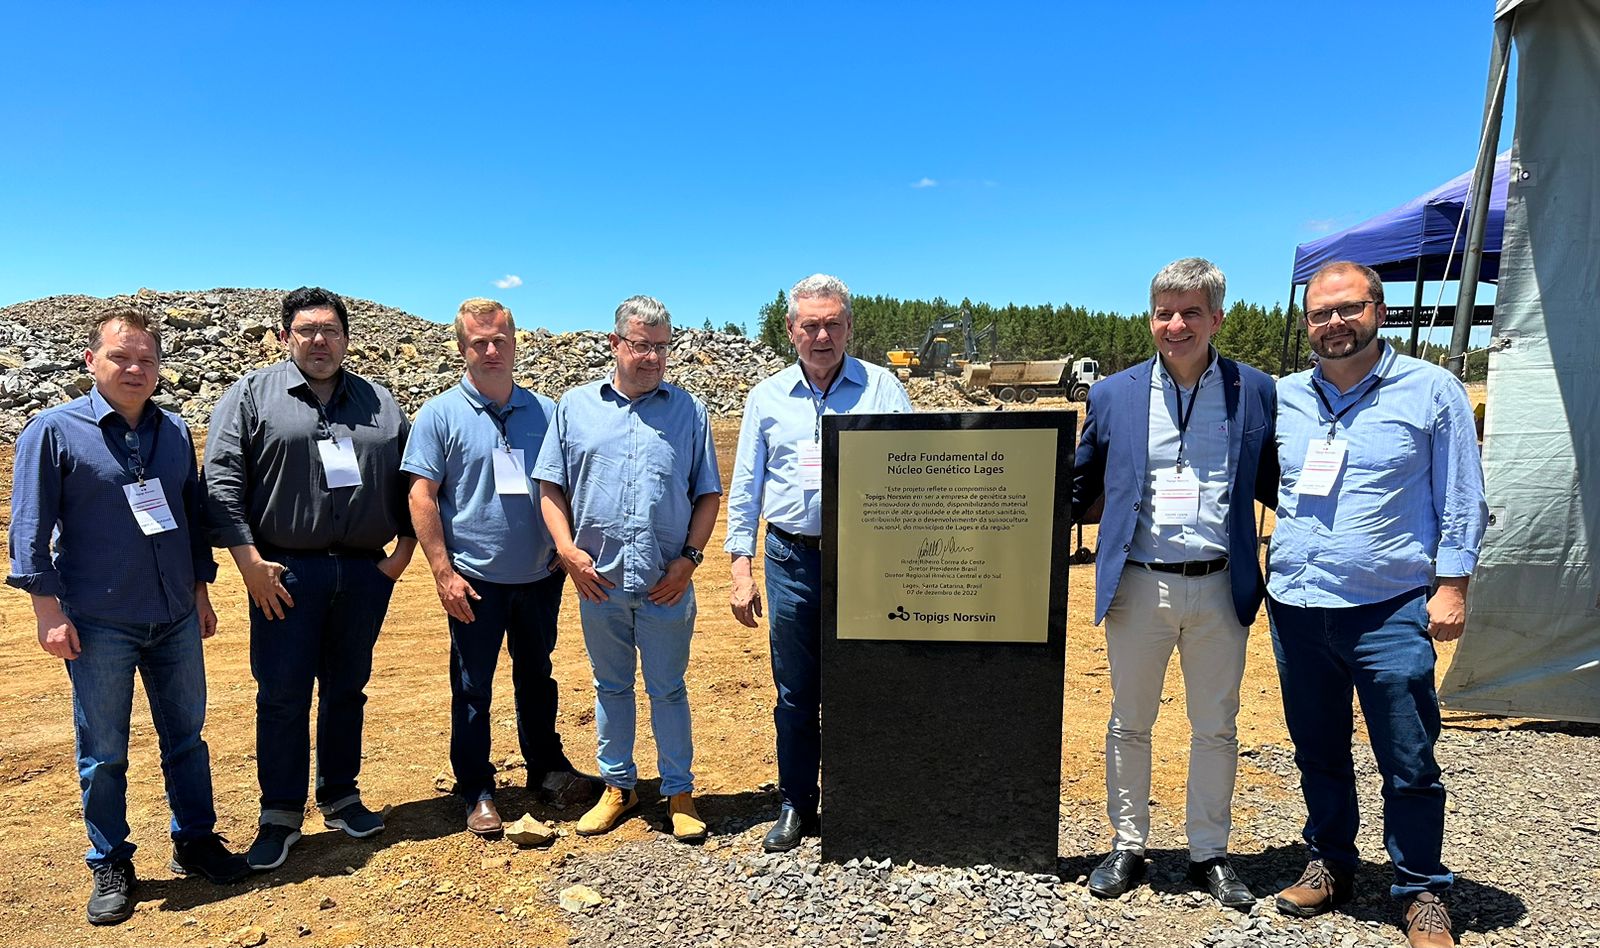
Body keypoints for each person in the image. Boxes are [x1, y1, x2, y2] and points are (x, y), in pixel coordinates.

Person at [1268, 261, 1486, 948]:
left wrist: (1452, 584)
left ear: (1378, 312)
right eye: (1319, 313)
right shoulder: (1285, 398)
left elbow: (1462, 496)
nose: (1333, 323)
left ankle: (1420, 886)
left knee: (1409, 755)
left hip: (1387, 607)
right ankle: (1332, 864)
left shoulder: (1431, 391)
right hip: (1297, 606)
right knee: (1317, 749)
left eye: (1347, 309)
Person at [7, 309, 248, 925]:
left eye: (147, 359)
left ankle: (195, 840)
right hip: (99, 620)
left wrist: (200, 591)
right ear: (92, 362)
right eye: (121, 357)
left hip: (172, 615)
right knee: (105, 749)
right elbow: (29, 530)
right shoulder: (53, 431)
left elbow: (190, 519)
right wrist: (47, 611)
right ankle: (110, 859)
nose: (135, 369)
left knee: (187, 739)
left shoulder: (173, 431)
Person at [1071, 258, 1278, 908]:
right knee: (1129, 722)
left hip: (1220, 586)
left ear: (1217, 317)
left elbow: (1281, 483)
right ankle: (1128, 845)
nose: (1176, 324)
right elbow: (1079, 485)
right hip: (1139, 586)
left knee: (1215, 725)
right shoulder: (1112, 395)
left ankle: (1209, 853)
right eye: (1165, 311)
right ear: (1151, 317)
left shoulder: (1256, 392)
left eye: (1191, 311)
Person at [203, 286, 416, 871]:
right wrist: (248, 563)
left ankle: (341, 795)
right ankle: (280, 814)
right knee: (282, 695)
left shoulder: (380, 402)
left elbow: (417, 481)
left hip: (364, 571)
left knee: (347, 689)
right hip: (284, 573)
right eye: (306, 331)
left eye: (331, 330)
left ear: (347, 338)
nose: (319, 341)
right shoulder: (250, 396)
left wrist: (402, 553)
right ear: (283, 337)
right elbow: (220, 483)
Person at [725, 273, 912, 852]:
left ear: (850, 326)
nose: (823, 335)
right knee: (796, 691)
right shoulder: (766, 398)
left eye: (833, 323)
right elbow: (746, 487)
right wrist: (740, 565)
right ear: (791, 330)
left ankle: (865, 799)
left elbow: (918, 470)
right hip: (792, 559)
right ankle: (796, 803)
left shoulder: (884, 390)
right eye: (811, 325)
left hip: (869, 561)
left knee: (869, 683)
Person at [402, 298, 600, 836]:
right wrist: (443, 573)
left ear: (516, 342)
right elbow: (422, 496)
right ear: (461, 349)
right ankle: (477, 789)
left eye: (499, 340)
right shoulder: (439, 415)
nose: (490, 351)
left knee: (537, 676)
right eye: (477, 343)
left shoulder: (545, 412)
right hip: (475, 580)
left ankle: (546, 768)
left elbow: (565, 485)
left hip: (539, 578)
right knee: (472, 688)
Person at [533, 295, 722, 842]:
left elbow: (707, 494)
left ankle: (679, 791)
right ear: (615, 344)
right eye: (641, 346)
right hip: (600, 584)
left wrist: (688, 562)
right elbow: (551, 487)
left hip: (667, 584)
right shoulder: (574, 408)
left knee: (668, 688)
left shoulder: (689, 411)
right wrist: (567, 551)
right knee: (610, 686)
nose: (653, 357)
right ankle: (618, 786)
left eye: (662, 347)